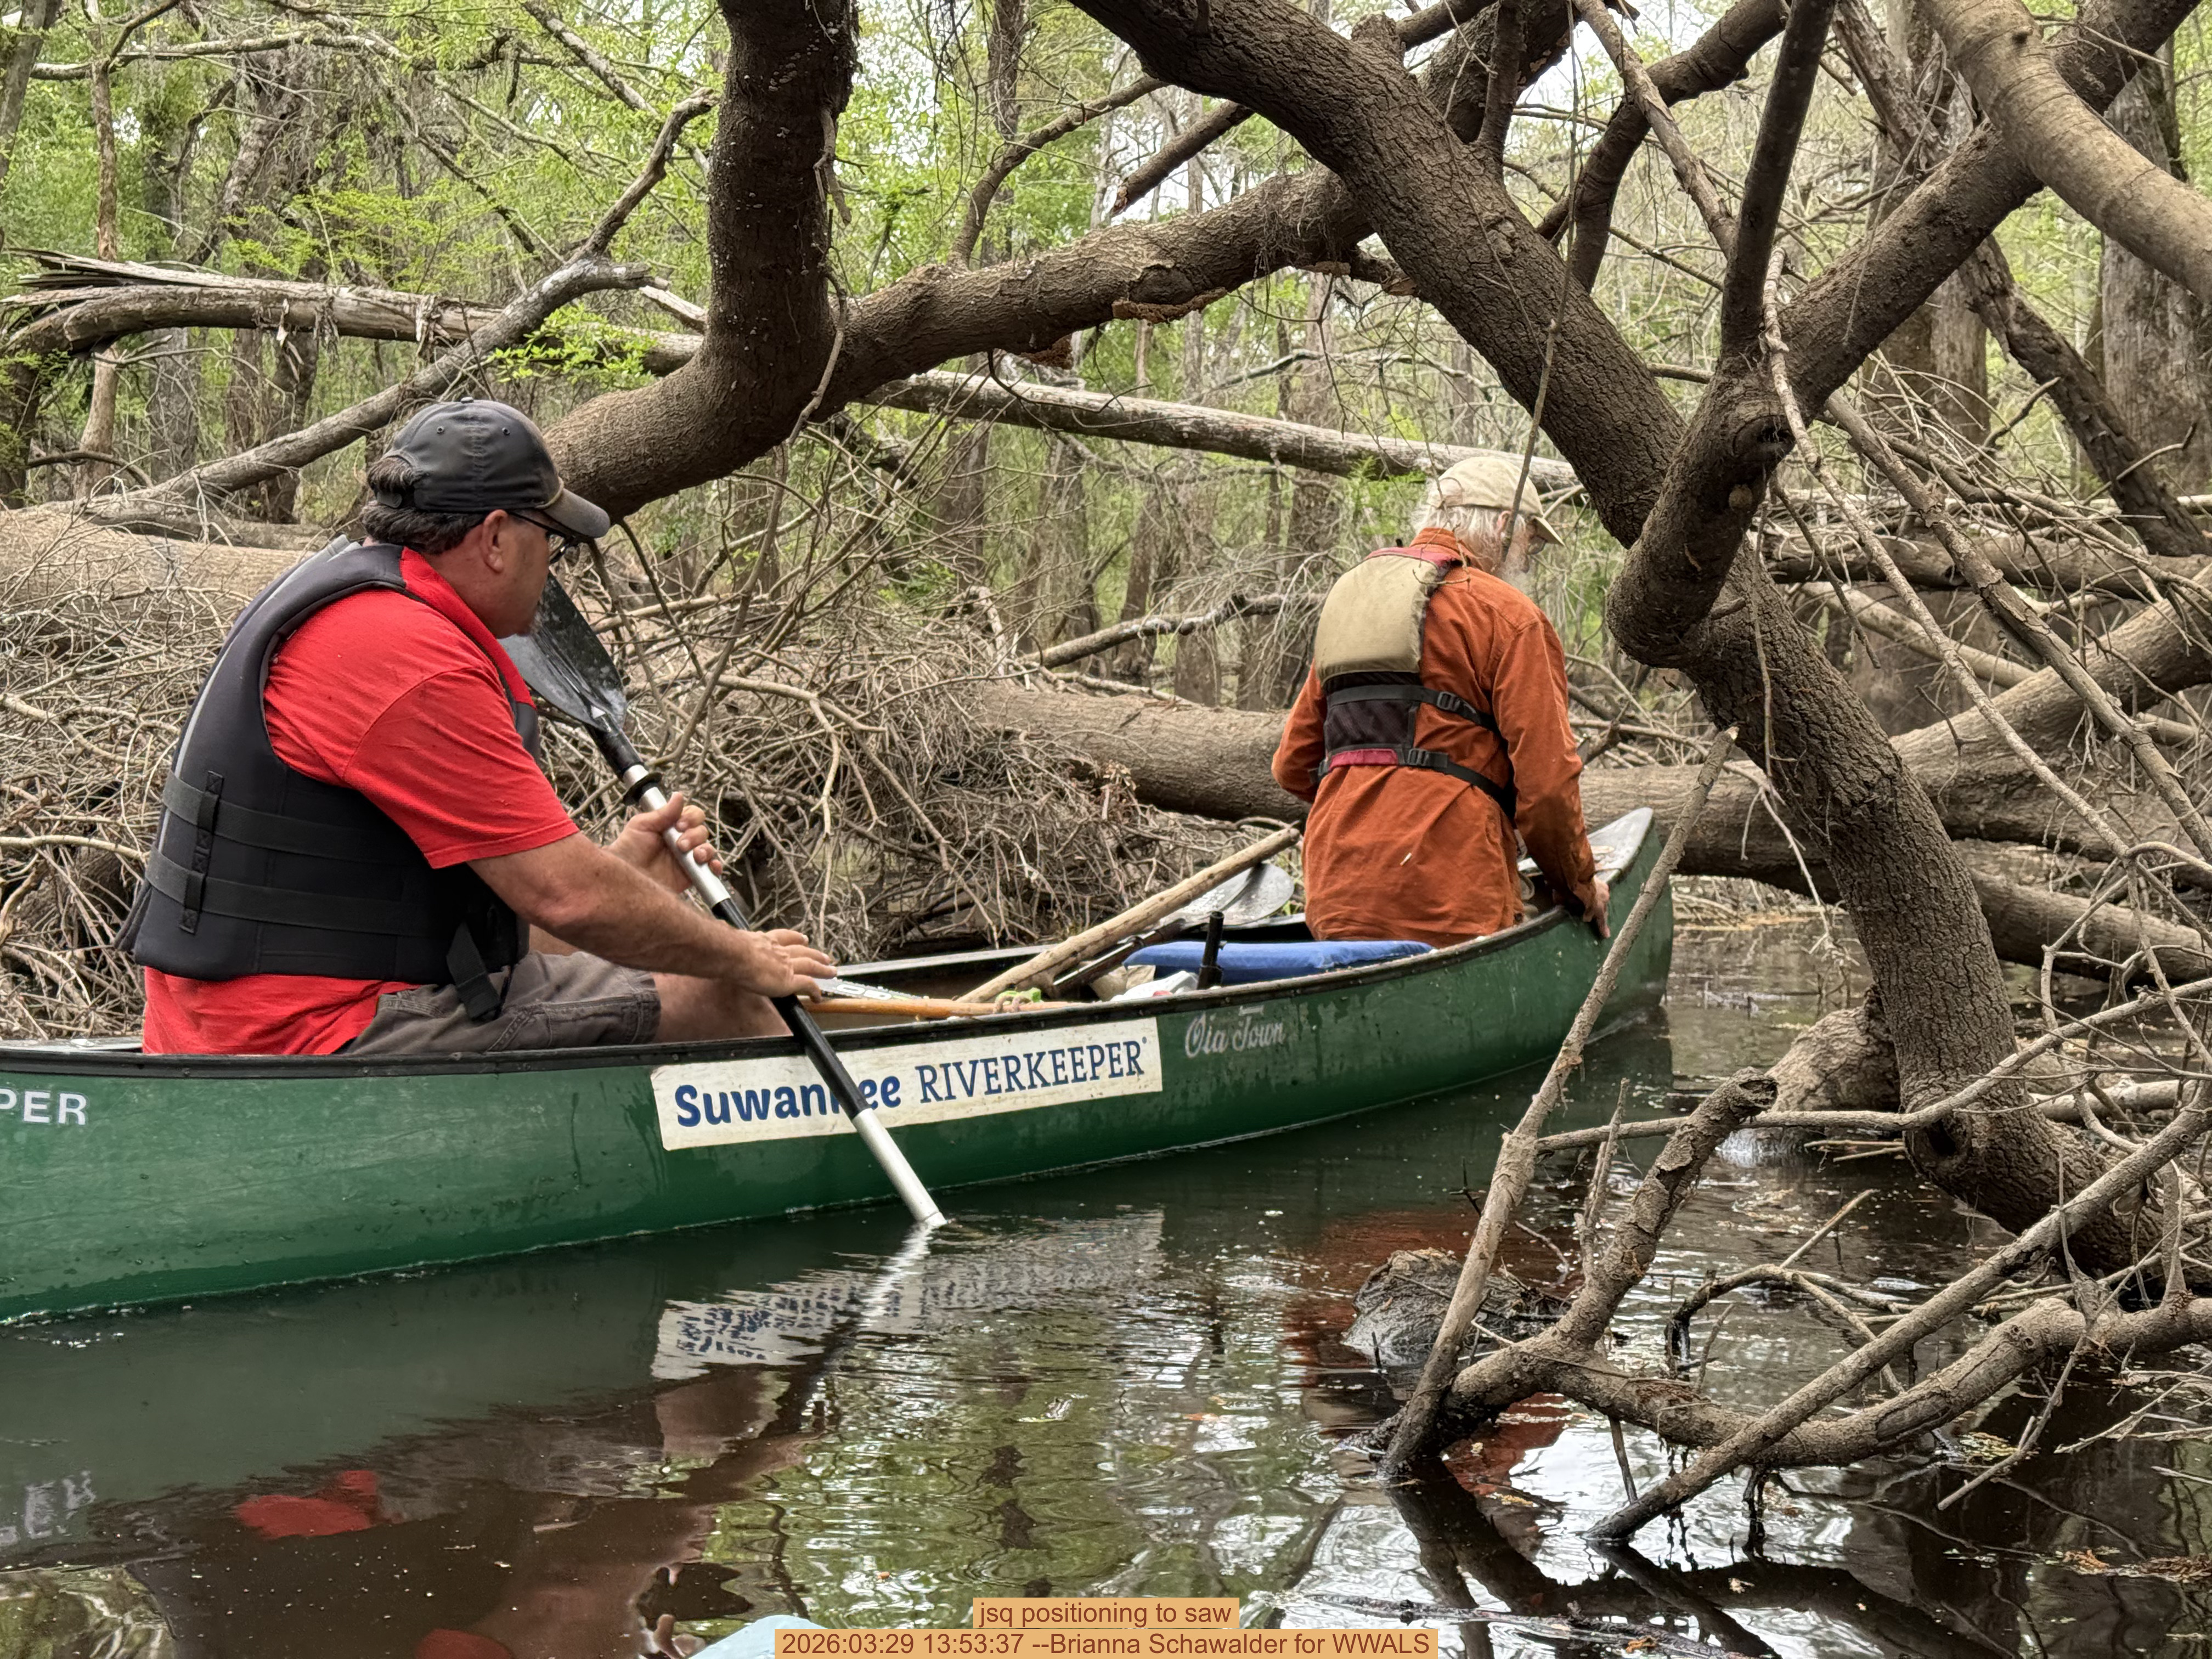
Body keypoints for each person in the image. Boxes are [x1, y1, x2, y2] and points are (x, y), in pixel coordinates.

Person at [126, 397, 832, 1057]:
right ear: (496, 538)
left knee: (693, 973)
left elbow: (496, 924)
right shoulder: (408, 656)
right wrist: (746, 958)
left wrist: (625, 875)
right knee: (726, 997)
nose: (552, 567)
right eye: (549, 541)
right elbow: (567, 896)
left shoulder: (351, 603)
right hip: (311, 1031)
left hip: (232, 1022)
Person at [1270, 454, 1608, 949]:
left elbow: (1293, 768)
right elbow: (1549, 789)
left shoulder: (1352, 603)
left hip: (1336, 895)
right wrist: (1580, 887)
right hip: (1452, 900)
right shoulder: (1510, 616)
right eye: (1529, 542)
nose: (1528, 557)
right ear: (1501, 524)